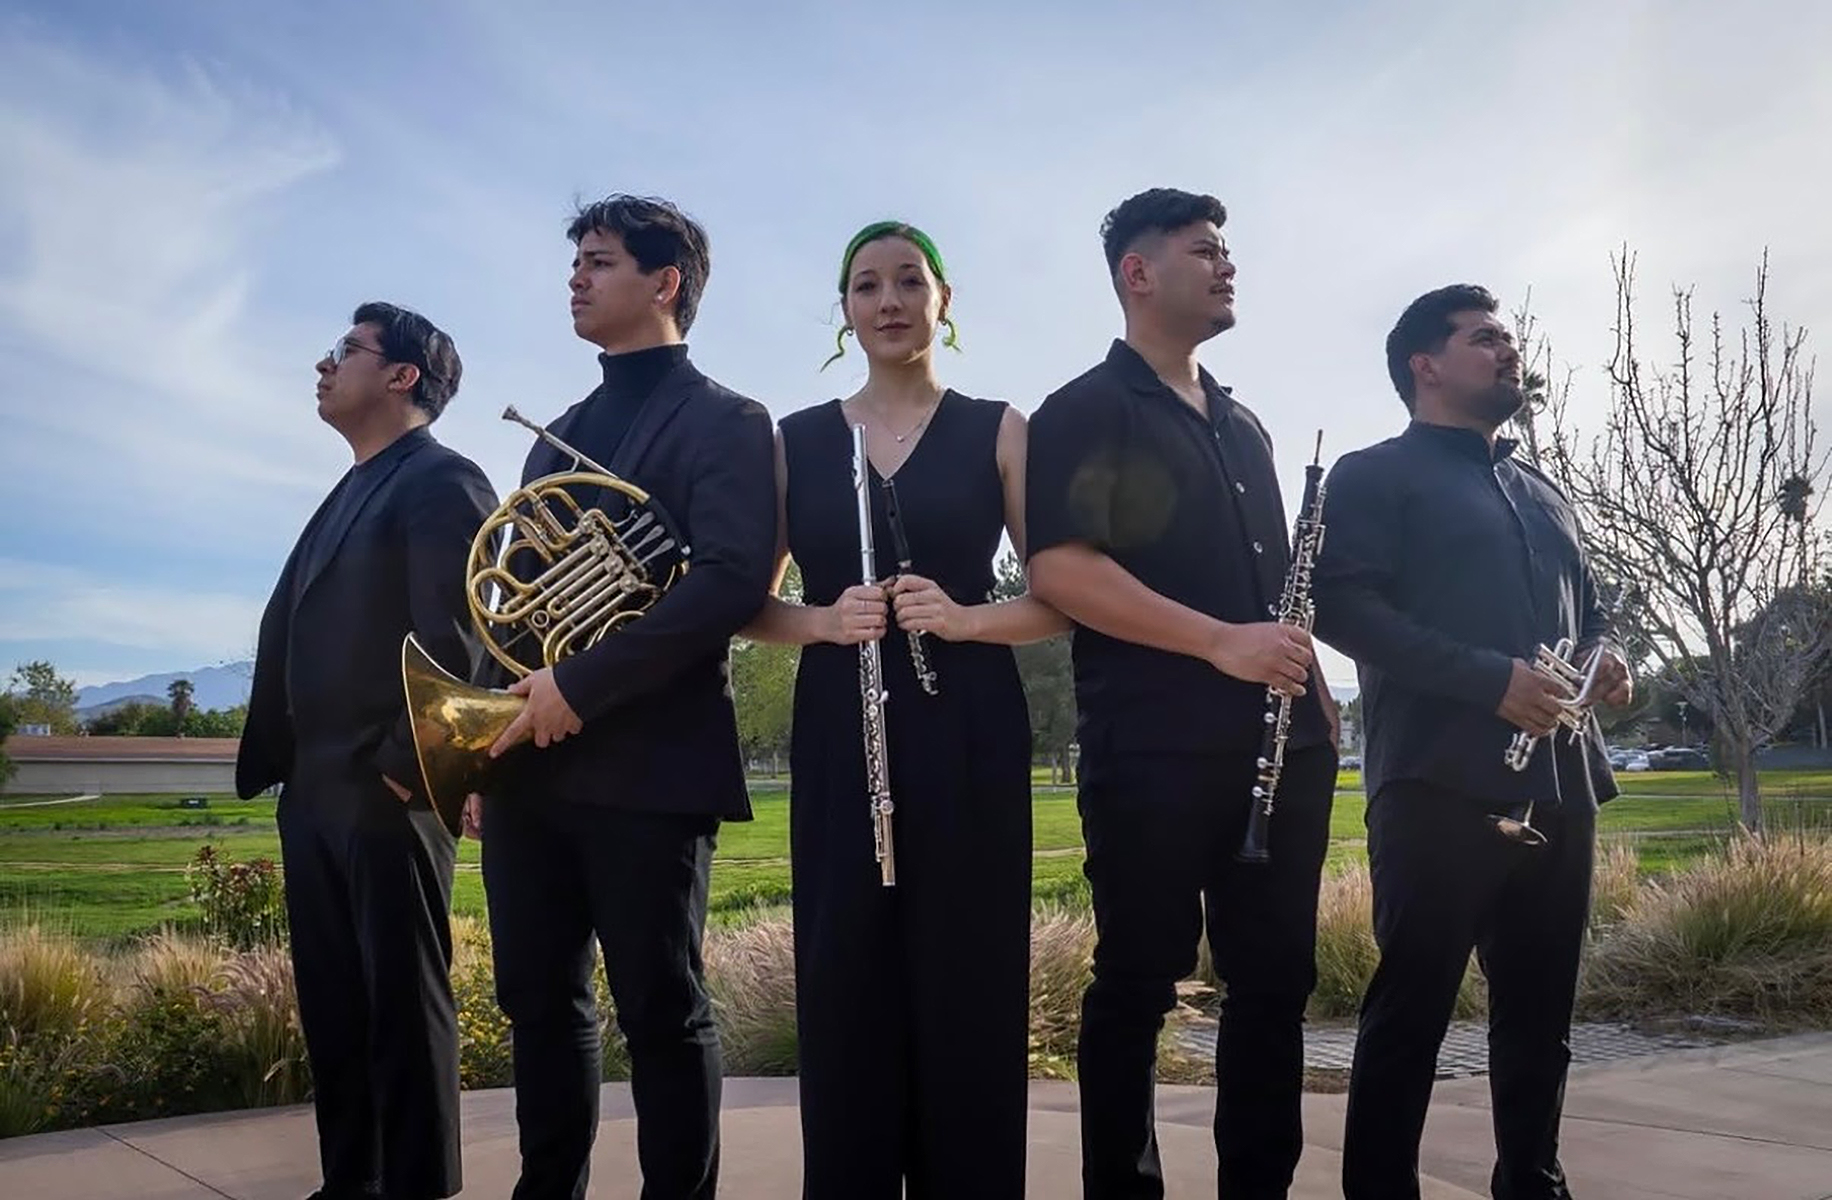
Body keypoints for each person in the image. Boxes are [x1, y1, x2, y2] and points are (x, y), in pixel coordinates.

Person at [1025, 188, 1341, 1199]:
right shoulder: (1083, 409)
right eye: (1205, 250)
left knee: (1272, 988)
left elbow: (1275, 590)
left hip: (1279, 753)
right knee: (1134, 984)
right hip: (1154, 754)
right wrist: (1220, 645)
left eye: (1227, 250)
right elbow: (1061, 572)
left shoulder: (1243, 422)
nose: (1227, 264)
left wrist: (1316, 697)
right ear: (1137, 273)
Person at [743, 220, 1065, 1198]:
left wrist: (968, 620)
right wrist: (822, 621)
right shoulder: (792, 441)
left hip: (968, 723)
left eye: (907, 282)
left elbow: (1061, 596)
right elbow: (746, 606)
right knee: (845, 979)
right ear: (845, 311)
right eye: (865, 285)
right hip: (843, 727)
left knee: (967, 978)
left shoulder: (1003, 429)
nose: (887, 301)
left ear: (942, 301)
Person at [466, 194, 777, 1200]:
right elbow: (509, 607)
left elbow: (730, 580)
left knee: (660, 1008)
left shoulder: (728, 419)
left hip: (649, 765)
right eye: (576, 264)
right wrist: (484, 743)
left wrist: (582, 687)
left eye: (597, 262)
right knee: (536, 1004)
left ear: (664, 281)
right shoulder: (551, 437)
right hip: (533, 766)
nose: (576, 278)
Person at [1310, 284, 1631, 1200]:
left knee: (1541, 1019)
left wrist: (1612, 664)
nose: (1509, 351)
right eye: (1486, 338)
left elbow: (1597, 614)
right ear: (1425, 365)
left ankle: (1534, 1184)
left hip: (1561, 784)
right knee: (1410, 1015)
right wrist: (1491, 681)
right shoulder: (1373, 475)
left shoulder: (1544, 491)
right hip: (1435, 787)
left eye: (1510, 338)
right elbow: (1342, 605)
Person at [236, 301, 496, 1200]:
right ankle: (350, 1183)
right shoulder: (351, 486)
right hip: (312, 790)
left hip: (388, 789)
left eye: (346, 350)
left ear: (401, 377)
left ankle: (416, 1187)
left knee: (402, 1007)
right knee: (337, 1011)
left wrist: (400, 766)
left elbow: (459, 637)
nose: (324, 364)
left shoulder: (442, 480)